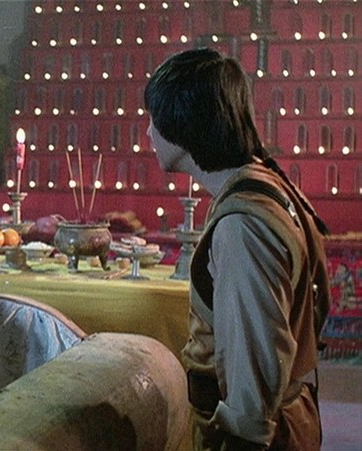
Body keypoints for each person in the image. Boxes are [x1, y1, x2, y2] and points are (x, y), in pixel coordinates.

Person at [144, 47, 330, 450]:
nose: (148, 134)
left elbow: (253, 365)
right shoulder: (261, 183)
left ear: (183, 122)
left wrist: (242, 438)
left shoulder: (242, 225)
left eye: (154, 119)